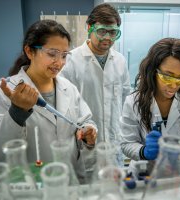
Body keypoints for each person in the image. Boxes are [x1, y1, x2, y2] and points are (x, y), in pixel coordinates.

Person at [0, 19, 97, 184]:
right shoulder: (5, 92)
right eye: (52, 54)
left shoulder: (69, 88)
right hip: (30, 187)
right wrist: (16, 112)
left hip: (69, 182)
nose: (59, 62)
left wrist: (89, 132)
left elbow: (85, 121)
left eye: (64, 55)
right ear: (30, 51)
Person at [120, 38, 180, 178]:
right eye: (168, 77)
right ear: (153, 71)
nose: (174, 86)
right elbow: (126, 143)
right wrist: (144, 151)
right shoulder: (133, 101)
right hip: (145, 174)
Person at [60, 3, 130, 175]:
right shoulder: (70, 61)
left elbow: (124, 100)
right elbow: (64, 106)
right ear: (90, 28)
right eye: (102, 31)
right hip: (84, 146)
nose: (107, 38)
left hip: (114, 145)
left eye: (113, 32)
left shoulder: (120, 61)